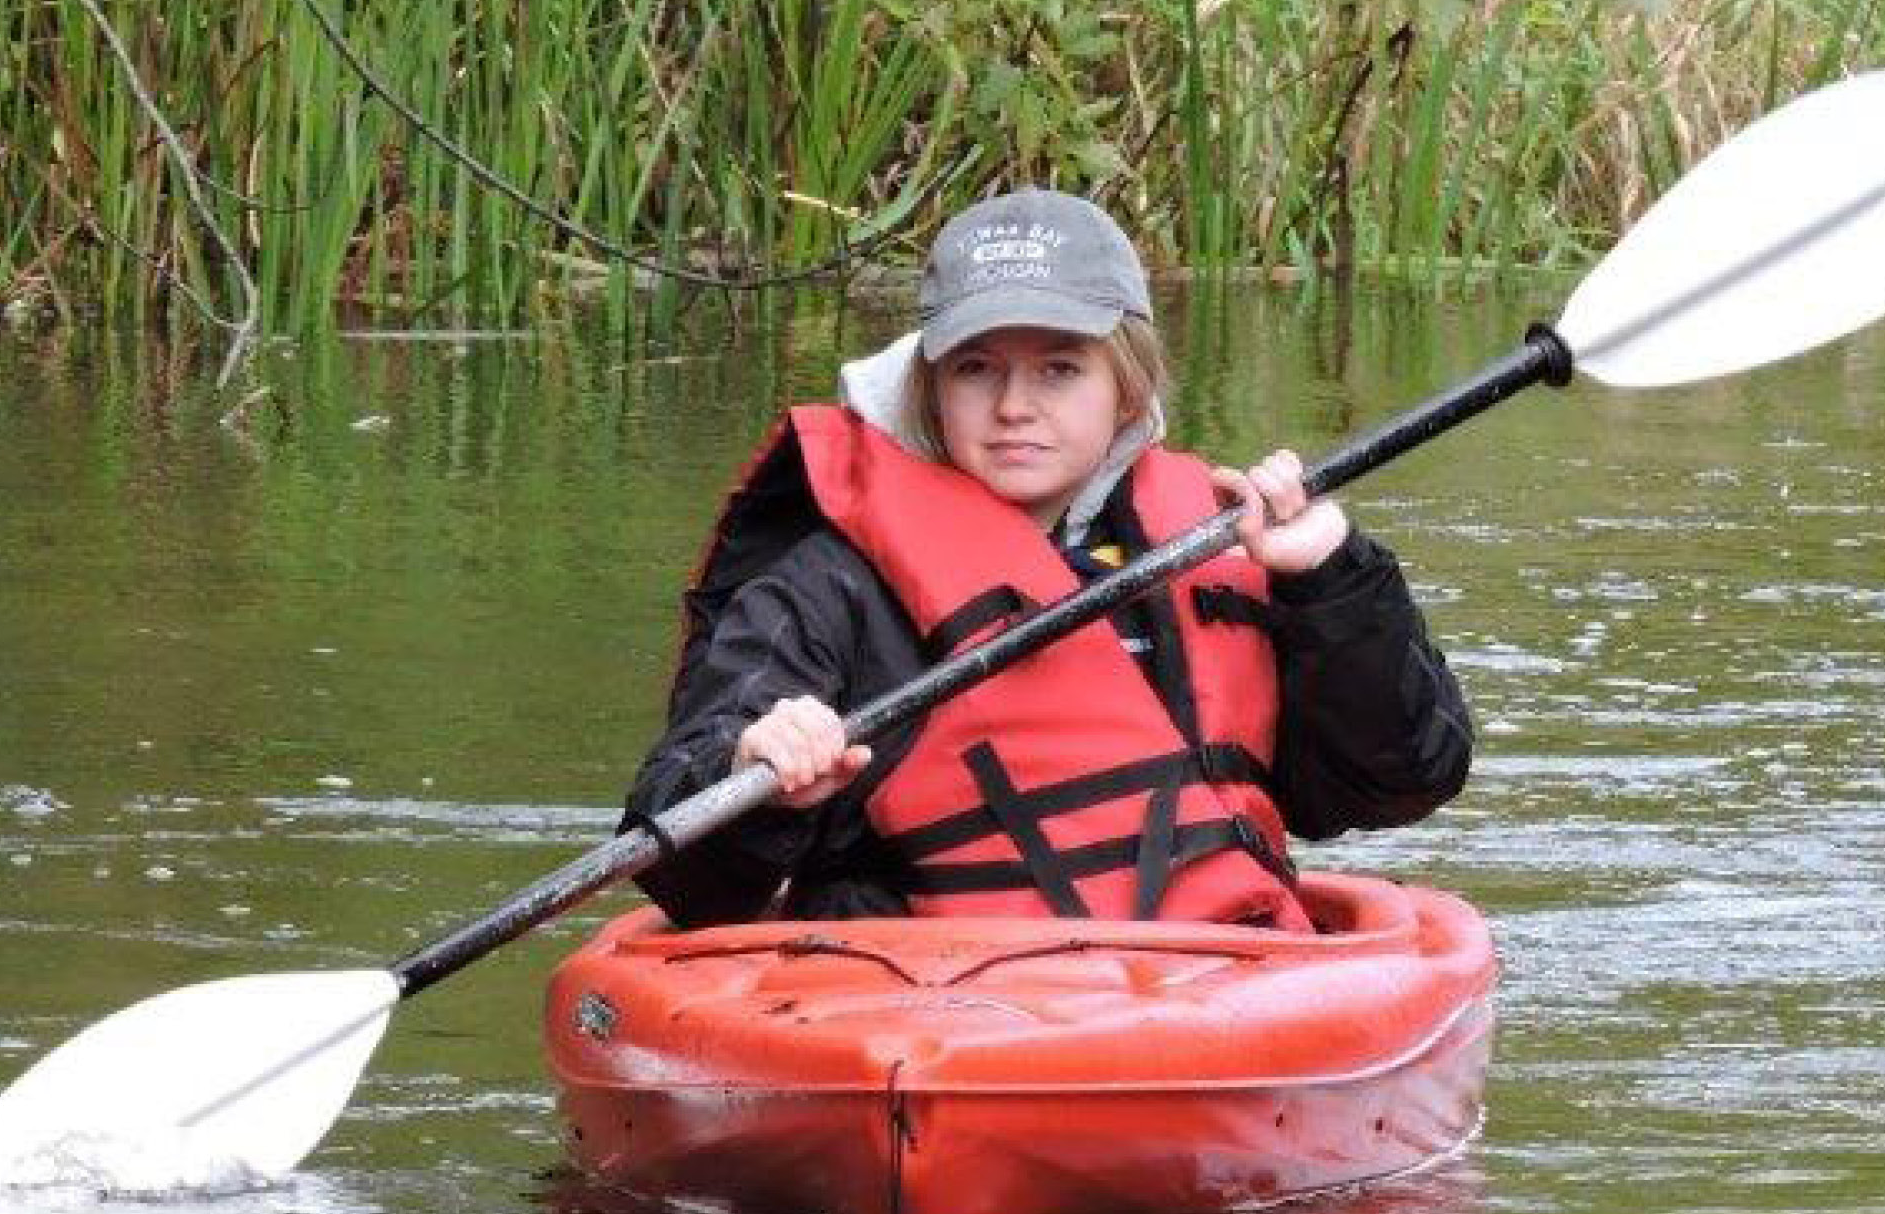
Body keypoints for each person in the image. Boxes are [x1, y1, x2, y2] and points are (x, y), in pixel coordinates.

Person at [619, 188, 1472, 931]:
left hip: (1207, 983)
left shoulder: (1224, 551)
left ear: (1126, 389)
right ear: (931, 389)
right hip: (915, 998)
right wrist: (752, 773)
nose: (1013, 407)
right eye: (975, 368)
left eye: (1059, 369)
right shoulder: (826, 586)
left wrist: (1331, 581)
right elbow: (687, 881)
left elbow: (1401, 782)